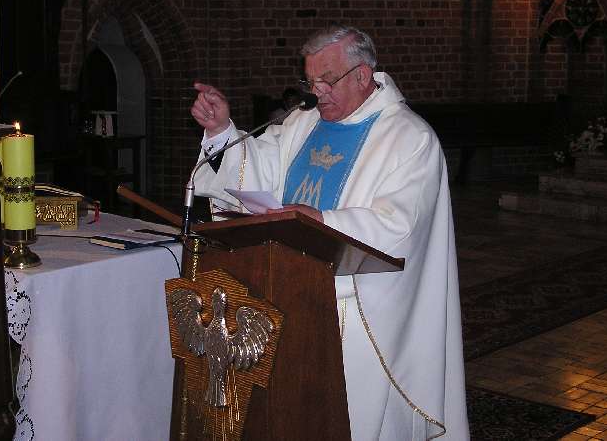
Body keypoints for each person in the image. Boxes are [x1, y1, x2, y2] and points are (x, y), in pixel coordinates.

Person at [191, 25, 469, 440]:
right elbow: (256, 170)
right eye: (310, 82)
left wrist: (322, 221)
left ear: (362, 75)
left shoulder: (409, 138)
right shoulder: (302, 124)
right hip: (288, 288)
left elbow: (401, 225)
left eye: (327, 80)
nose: (317, 92)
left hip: (355, 311)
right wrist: (221, 131)